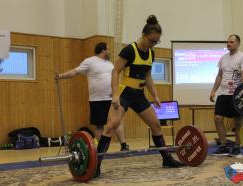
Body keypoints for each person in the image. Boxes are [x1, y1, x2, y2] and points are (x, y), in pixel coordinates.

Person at [95, 15, 184, 178]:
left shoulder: (151, 54)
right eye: (152, 40)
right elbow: (116, 71)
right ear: (144, 36)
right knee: (111, 125)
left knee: (156, 124)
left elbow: (148, 75)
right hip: (125, 92)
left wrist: (155, 95)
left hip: (139, 95)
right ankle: (96, 165)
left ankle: (167, 159)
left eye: (156, 42)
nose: (153, 44)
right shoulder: (130, 50)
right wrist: (115, 94)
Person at [55, 42, 129, 151]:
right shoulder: (89, 61)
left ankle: (124, 146)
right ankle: (102, 149)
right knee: (99, 125)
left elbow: (115, 78)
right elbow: (75, 72)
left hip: (111, 98)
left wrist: (116, 92)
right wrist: (61, 76)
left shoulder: (110, 64)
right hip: (97, 100)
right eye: (108, 50)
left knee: (116, 122)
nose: (110, 52)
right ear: (103, 50)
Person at [210, 34, 243, 155]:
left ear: (238, 43)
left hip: (236, 94)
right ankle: (223, 146)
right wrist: (213, 91)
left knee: (237, 121)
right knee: (217, 119)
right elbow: (219, 76)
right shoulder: (223, 58)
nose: (228, 44)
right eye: (227, 42)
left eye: (231, 42)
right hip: (223, 93)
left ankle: (237, 145)